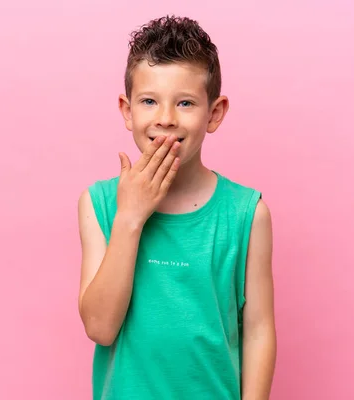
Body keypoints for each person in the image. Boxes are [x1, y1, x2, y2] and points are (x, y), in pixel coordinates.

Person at [77, 15, 276, 400]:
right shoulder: (98, 204)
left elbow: (258, 331)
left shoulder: (246, 214)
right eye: (149, 101)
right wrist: (130, 217)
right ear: (127, 110)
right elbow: (100, 327)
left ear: (214, 113)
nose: (166, 119)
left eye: (185, 103)